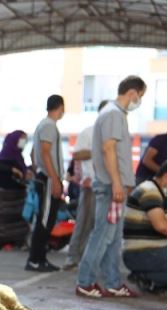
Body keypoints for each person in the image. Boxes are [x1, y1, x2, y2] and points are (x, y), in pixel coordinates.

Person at [76, 75, 147, 298]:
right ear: (132, 92)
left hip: (113, 185)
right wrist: (117, 182)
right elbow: (108, 149)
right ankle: (85, 282)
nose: (139, 101)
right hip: (110, 185)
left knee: (113, 238)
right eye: (140, 96)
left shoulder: (114, 113)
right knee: (102, 236)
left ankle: (113, 282)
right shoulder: (113, 114)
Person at [63, 100, 110, 270]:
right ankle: (73, 257)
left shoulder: (114, 136)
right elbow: (77, 155)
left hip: (108, 185)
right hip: (91, 184)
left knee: (102, 226)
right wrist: (97, 151)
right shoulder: (88, 132)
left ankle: (91, 259)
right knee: (84, 222)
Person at [122, 157, 167, 292]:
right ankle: (148, 277)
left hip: (155, 250)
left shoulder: (160, 193)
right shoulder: (149, 191)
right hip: (143, 252)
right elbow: (161, 226)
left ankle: (148, 278)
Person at [25, 95, 65, 272]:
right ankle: (35, 259)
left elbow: (33, 153)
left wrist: (37, 171)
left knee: (46, 220)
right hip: (48, 179)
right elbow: (45, 151)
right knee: (44, 220)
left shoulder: (42, 125)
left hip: (45, 177)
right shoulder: (49, 125)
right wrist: (54, 179)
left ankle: (40, 258)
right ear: (60, 107)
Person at [0, 130, 31, 249]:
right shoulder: (7, 152)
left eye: (25, 139)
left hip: (17, 195)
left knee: (17, 219)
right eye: (22, 139)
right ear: (15, 140)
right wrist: (13, 169)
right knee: (2, 219)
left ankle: (17, 241)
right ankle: (0, 242)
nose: (24, 142)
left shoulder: (19, 156)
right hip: (4, 195)